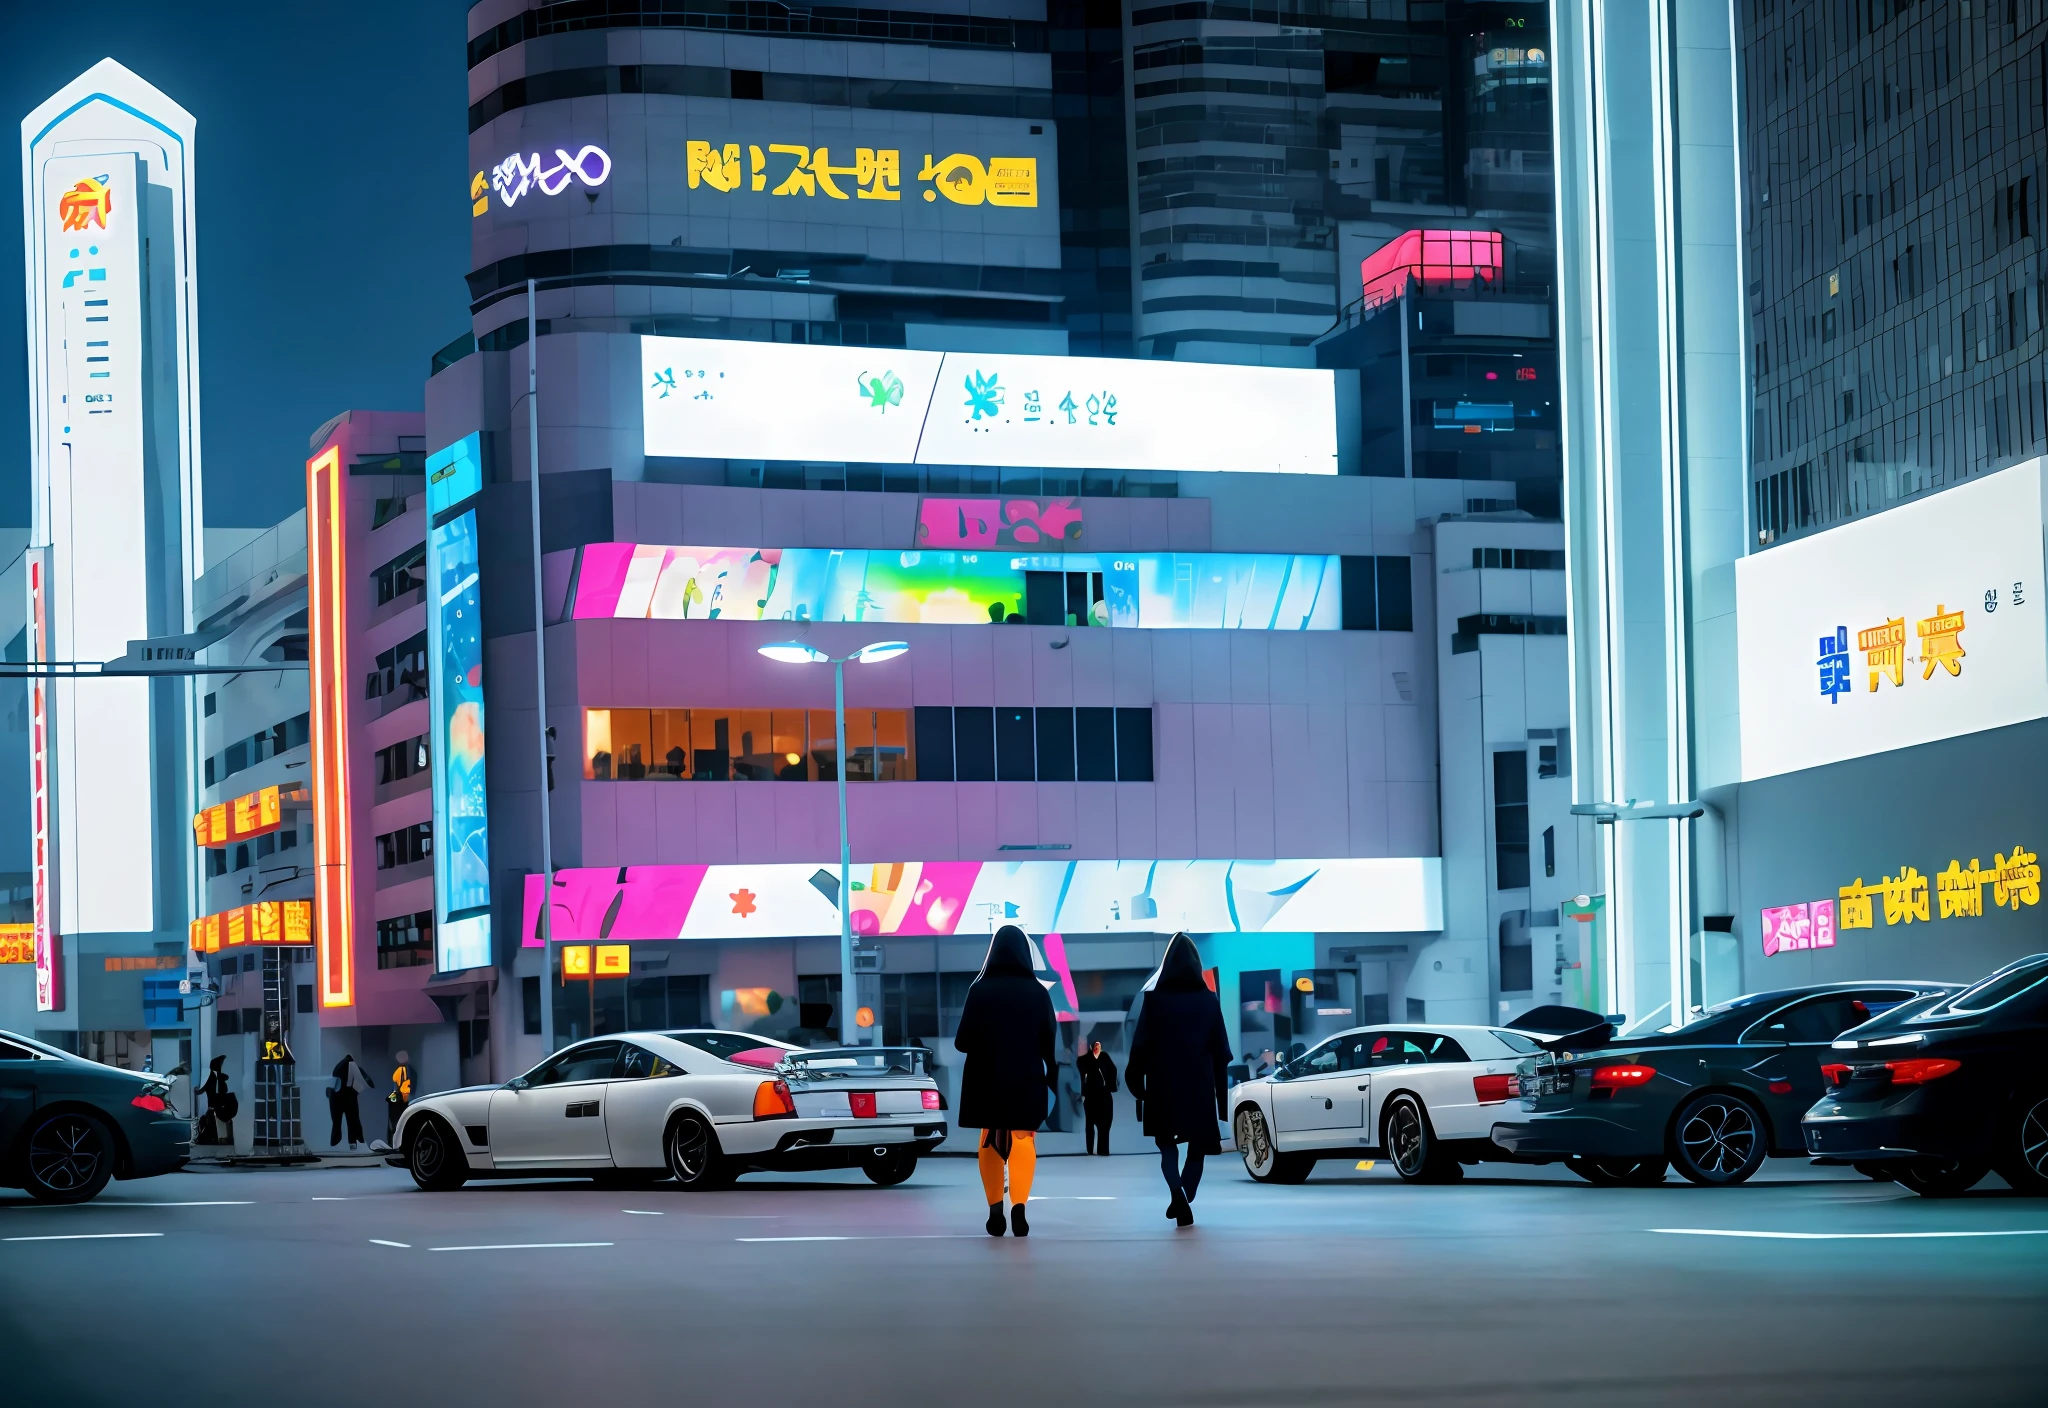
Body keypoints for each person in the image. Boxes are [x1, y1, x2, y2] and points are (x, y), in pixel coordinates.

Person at [953, 925, 1057, 1237]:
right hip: (1026, 1077)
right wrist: (1050, 1076)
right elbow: (1049, 1044)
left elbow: (962, 1041)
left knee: (990, 1137)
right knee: (1023, 1138)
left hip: (987, 1080)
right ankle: (1020, 1208)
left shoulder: (979, 989)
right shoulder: (1038, 992)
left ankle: (995, 1211)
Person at [1125, 933, 1230, 1227]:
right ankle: (1186, 1192)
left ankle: (1177, 1195)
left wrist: (1136, 1084)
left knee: (1166, 1146)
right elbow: (1222, 1051)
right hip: (1198, 1086)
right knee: (1197, 1146)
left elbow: (1140, 1047)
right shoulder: (1209, 1001)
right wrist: (1221, 1101)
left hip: (1163, 1086)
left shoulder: (1154, 1001)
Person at [1076, 1039, 1119, 1155]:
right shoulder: (1085, 1059)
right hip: (1092, 1095)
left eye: (1098, 1045)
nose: (1097, 1047)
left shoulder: (1103, 1057)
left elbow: (1113, 1070)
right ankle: (1090, 1149)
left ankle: (1102, 1149)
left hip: (1101, 1095)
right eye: (1095, 1045)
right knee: (1090, 1124)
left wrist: (1110, 1086)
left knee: (1104, 1125)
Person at [329, 1053, 372, 1151]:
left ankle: (336, 1143)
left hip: (339, 1097)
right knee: (353, 1120)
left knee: (338, 1122)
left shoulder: (341, 1067)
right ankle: (354, 1142)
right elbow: (361, 1078)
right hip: (348, 1096)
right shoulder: (351, 1065)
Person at [197, 1055, 236, 1148]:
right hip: (215, 1101)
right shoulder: (211, 1076)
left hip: (217, 1101)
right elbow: (204, 1088)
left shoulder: (216, 1076)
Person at [385, 1050, 413, 1148]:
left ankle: (394, 1143)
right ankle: (395, 1143)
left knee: (394, 1121)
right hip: (400, 1098)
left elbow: (398, 1088)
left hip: (398, 1099)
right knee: (396, 1121)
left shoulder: (402, 1070)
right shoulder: (406, 1069)